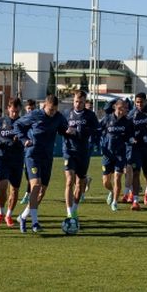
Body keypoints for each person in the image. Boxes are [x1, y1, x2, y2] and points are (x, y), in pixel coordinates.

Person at [12, 95, 68, 233]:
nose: (52, 112)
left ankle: (23, 216)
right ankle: (35, 223)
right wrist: (24, 139)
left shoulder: (59, 117)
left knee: (42, 191)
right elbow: (17, 124)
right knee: (36, 185)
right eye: (50, 109)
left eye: (55, 110)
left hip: (47, 157)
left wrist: (68, 131)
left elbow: (63, 129)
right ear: (44, 106)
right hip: (33, 155)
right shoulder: (35, 114)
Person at [63, 90, 98, 220]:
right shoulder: (66, 113)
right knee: (69, 181)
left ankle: (74, 210)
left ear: (85, 102)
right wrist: (65, 131)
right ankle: (69, 213)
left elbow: (95, 130)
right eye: (76, 101)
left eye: (81, 102)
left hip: (83, 152)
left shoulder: (90, 115)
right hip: (69, 151)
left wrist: (78, 132)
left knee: (79, 183)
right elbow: (60, 128)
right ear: (73, 101)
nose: (78, 104)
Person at [0, 98, 24, 228]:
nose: (14, 114)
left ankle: (9, 215)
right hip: (3, 159)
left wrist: (19, 141)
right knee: (2, 186)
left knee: (14, 190)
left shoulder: (23, 123)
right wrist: (3, 143)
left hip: (17, 160)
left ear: (20, 109)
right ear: (8, 109)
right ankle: (0, 213)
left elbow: (29, 138)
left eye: (17, 111)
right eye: (12, 111)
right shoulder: (0, 122)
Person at [100, 99, 134, 212]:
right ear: (116, 107)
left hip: (120, 154)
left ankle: (115, 202)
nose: (123, 110)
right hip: (107, 154)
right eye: (121, 108)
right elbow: (98, 130)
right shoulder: (107, 119)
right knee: (105, 182)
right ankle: (111, 191)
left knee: (117, 177)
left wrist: (131, 139)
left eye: (125, 108)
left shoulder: (127, 122)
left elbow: (130, 135)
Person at [128, 92, 147, 208]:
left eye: (141, 102)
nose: (139, 104)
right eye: (137, 102)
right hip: (136, 148)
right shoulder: (131, 114)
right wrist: (131, 138)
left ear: (146, 101)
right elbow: (128, 129)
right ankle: (135, 201)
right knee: (135, 172)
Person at [19, 98, 38, 205]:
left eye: (32, 108)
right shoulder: (22, 120)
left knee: (31, 173)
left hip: (33, 151)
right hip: (23, 151)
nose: (31, 110)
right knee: (26, 173)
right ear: (26, 108)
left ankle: (27, 194)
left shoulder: (38, 120)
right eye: (29, 108)